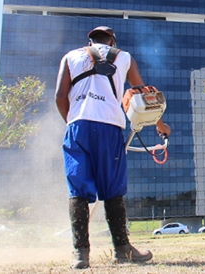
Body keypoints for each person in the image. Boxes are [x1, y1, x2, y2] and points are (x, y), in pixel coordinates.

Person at [55, 26, 171, 269]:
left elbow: (59, 97)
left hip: (78, 127)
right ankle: (122, 249)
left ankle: (80, 254)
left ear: (90, 40)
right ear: (112, 40)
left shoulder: (70, 56)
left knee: (77, 189)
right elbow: (142, 95)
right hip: (109, 127)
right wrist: (160, 125)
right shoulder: (124, 57)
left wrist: (74, 122)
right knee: (112, 189)